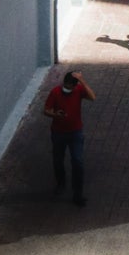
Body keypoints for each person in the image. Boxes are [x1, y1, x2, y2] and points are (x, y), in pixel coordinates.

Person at [43, 69, 94, 206]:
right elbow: (46, 110)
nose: (67, 89)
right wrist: (55, 115)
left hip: (75, 132)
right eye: (66, 86)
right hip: (58, 132)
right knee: (58, 159)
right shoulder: (55, 92)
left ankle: (78, 193)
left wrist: (82, 81)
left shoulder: (78, 90)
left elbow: (92, 97)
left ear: (75, 85)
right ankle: (61, 183)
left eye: (70, 87)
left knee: (77, 161)